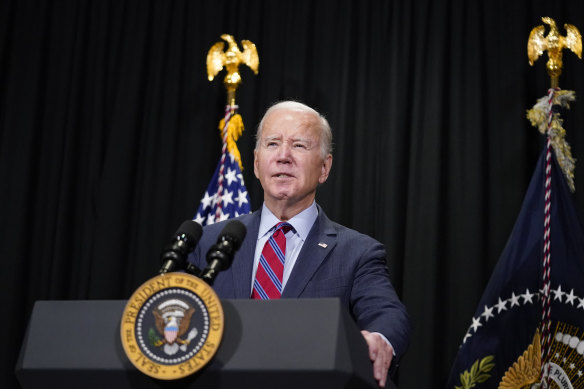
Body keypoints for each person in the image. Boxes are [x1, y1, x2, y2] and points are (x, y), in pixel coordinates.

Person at [188, 101, 410, 387]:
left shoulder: (356, 253)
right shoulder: (209, 242)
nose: (283, 156)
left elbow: (388, 314)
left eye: (299, 146)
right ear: (256, 164)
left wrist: (380, 339)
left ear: (324, 168)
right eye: (272, 144)